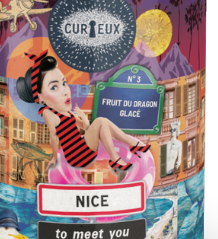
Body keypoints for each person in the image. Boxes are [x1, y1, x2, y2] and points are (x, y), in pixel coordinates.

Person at [15, 51, 150, 174]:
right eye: (54, 87)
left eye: (64, 83)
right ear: (40, 98)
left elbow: (86, 128)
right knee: (100, 121)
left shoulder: (67, 113)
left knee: (103, 122)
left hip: (84, 147)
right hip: (77, 155)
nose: (65, 91)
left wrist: (83, 117)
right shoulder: (48, 113)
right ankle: (119, 155)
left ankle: (128, 147)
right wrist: (54, 158)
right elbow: (53, 136)